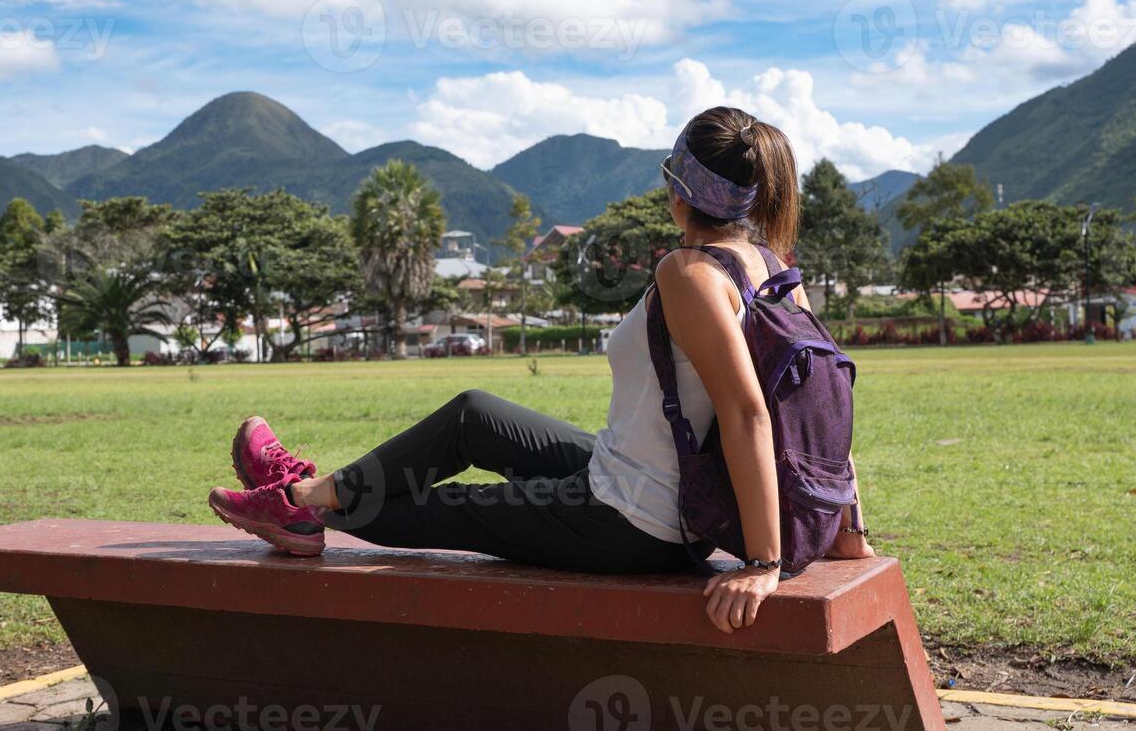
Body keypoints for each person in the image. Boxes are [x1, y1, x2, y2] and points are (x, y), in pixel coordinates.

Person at [209, 107, 875, 633]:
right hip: (637, 482)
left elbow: (753, 412)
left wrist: (763, 563)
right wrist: (846, 526)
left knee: (451, 509)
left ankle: (297, 507)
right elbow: (821, 406)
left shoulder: (691, 274)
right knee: (474, 414)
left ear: (677, 189)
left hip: (636, 521)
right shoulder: (771, 267)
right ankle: (313, 492)